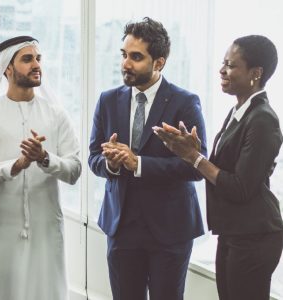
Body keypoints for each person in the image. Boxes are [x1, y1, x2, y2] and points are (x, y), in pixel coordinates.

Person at [153, 35, 283, 300]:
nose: (221, 70)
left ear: (255, 73)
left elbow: (240, 188)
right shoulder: (240, 111)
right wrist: (191, 147)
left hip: (255, 236)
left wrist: (194, 157)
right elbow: (225, 167)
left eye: (230, 65)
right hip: (235, 231)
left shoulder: (263, 120)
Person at [88, 17, 207, 300]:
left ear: (159, 62)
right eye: (124, 55)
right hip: (121, 226)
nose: (125, 64)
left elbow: (197, 167)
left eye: (136, 57)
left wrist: (137, 164)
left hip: (170, 228)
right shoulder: (107, 100)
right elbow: (94, 157)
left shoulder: (185, 102)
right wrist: (111, 164)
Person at [0, 36, 81, 300]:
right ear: (8, 68)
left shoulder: (56, 114)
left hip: (46, 231)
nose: (36, 65)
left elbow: (74, 170)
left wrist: (44, 158)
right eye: (27, 59)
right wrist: (16, 165)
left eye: (38, 59)